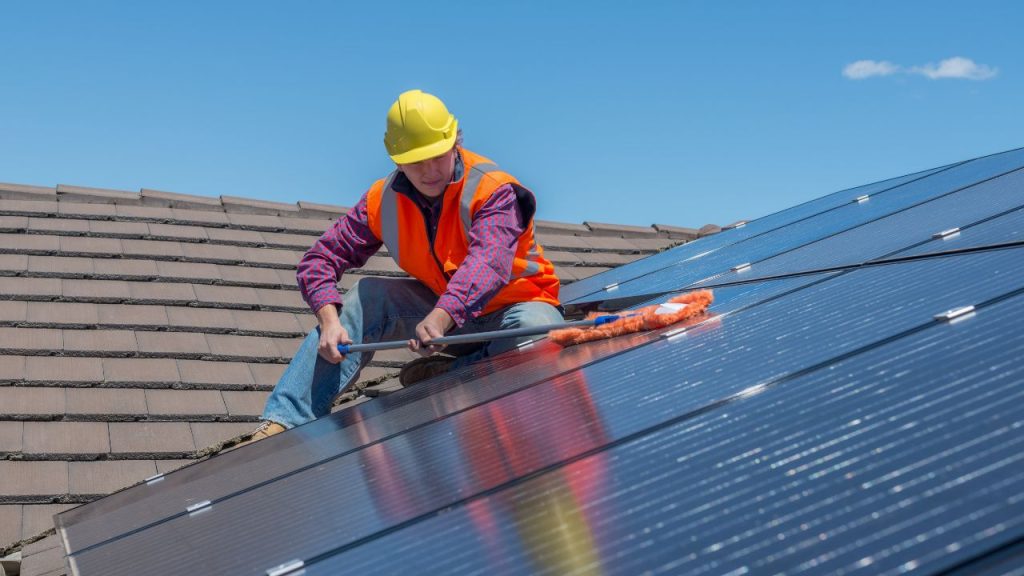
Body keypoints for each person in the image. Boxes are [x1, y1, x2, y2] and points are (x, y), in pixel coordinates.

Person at [250, 89, 563, 442]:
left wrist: (441, 316)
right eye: (416, 161)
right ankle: (283, 424)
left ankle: (456, 372)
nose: (429, 171)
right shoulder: (381, 201)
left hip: (512, 313)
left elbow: (487, 263)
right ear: (397, 159)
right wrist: (329, 321)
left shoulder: (493, 189)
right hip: (446, 318)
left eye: (437, 157)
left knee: (541, 330)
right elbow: (319, 260)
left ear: (455, 144)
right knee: (369, 297)